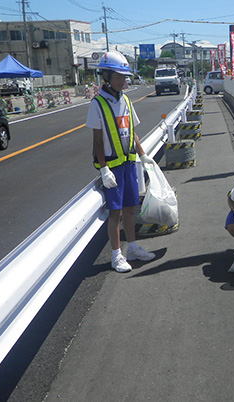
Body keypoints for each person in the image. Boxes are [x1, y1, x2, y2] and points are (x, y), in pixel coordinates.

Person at [86, 51, 156, 273]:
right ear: (106, 76)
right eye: (118, 77)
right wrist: (104, 168)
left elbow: (132, 132)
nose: (123, 81)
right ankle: (117, 255)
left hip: (129, 164)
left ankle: (133, 248)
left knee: (130, 209)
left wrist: (143, 155)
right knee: (115, 213)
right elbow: (97, 139)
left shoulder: (125, 100)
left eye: (125, 77)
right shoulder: (98, 103)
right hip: (113, 167)